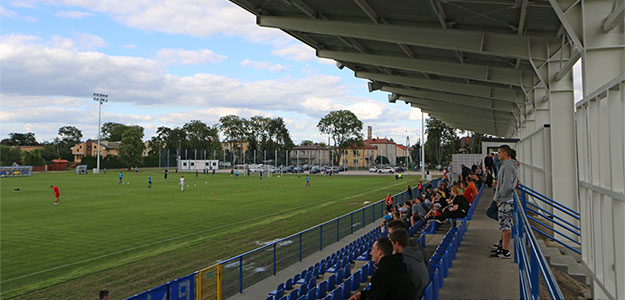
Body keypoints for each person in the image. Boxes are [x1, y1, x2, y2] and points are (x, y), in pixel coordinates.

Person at [348, 237, 415, 300]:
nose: (371, 253)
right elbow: (378, 292)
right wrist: (361, 294)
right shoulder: (397, 265)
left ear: (380, 252)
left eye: (373, 249)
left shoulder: (382, 274)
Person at [490, 145, 518, 259]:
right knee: (504, 225)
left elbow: (507, 185)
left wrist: (499, 197)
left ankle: (505, 251)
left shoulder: (507, 166)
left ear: (505, 154)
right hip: (507, 199)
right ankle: (503, 248)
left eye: (500, 152)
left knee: (505, 226)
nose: (498, 154)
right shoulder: (509, 165)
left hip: (506, 200)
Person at [389, 229, 429, 299]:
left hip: (415, 295)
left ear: (397, 244)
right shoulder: (416, 252)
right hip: (421, 291)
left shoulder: (404, 261)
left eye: (392, 244)